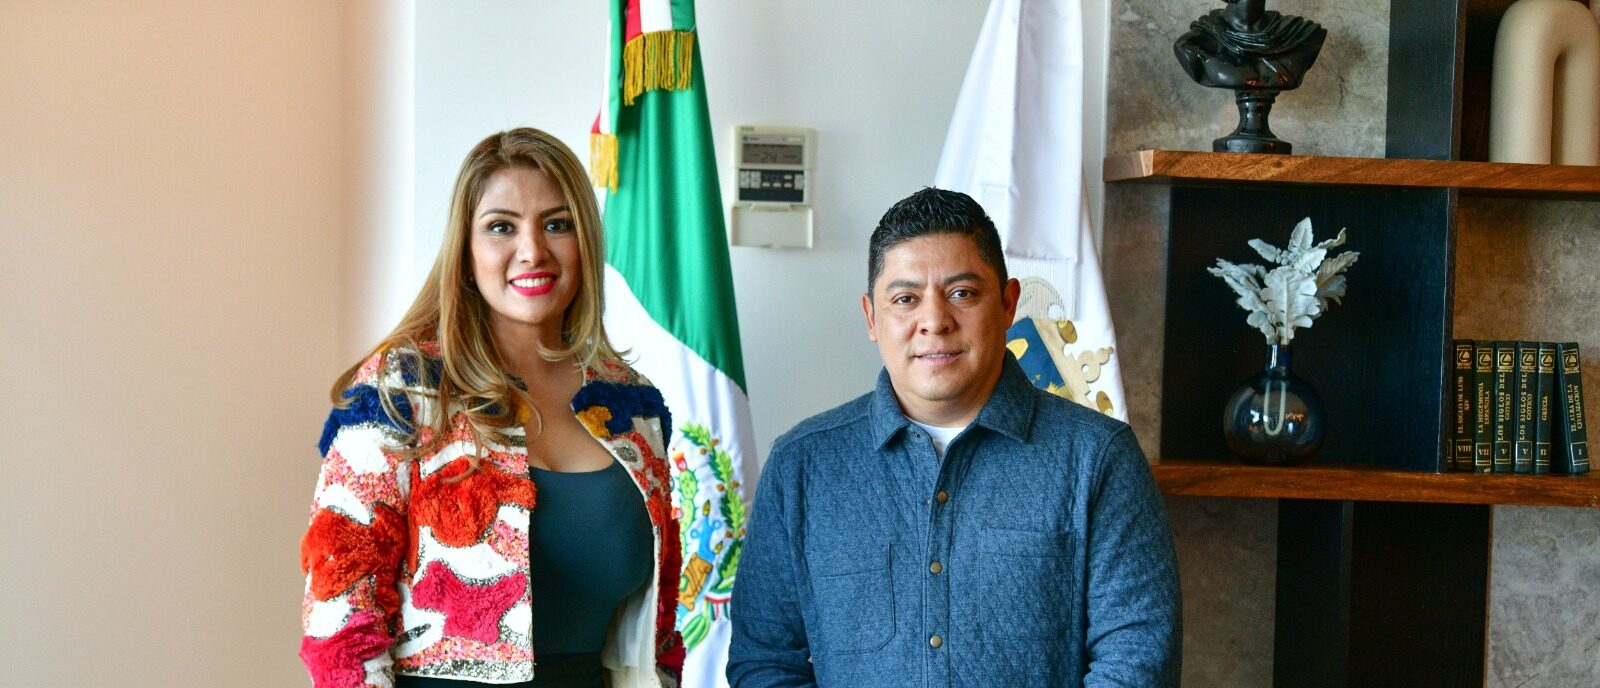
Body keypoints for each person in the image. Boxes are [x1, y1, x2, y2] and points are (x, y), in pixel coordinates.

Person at [726, 188, 1181, 687]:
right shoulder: (803, 465)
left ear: (1008, 304)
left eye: (962, 293)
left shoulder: (1098, 458)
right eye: (905, 299)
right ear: (872, 318)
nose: (935, 322)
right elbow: (764, 661)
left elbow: (1137, 658)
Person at [298, 128, 683, 688]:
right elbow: (340, 610)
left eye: (557, 224)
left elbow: (658, 631)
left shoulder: (631, 404)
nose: (533, 250)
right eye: (502, 227)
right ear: (465, 251)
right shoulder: (403, 388)